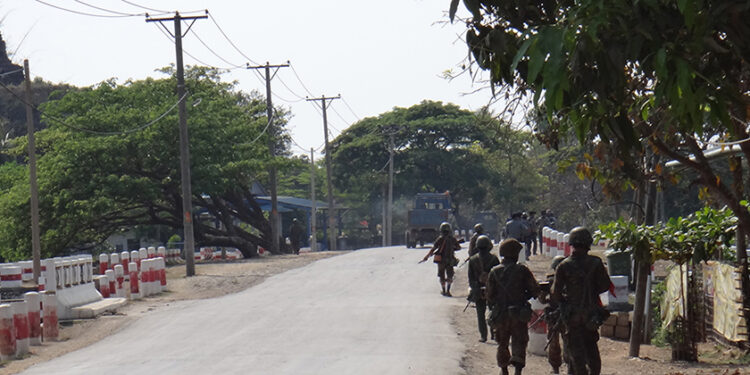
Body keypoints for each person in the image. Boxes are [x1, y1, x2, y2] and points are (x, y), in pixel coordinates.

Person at [551, 227, 611, 375]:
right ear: (588, 243)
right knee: (592, 352)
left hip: (573, 317)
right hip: (591, 316)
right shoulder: (596, 263)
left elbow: (555, 294)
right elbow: (605, 286)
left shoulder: (563, 265)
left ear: (571, 243)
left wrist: (566, 301)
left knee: (576, 355)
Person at [486, 238, 540, 375]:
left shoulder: (494, 271)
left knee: (502, 343)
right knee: (520, 341)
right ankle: (517, 371)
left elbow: (490, 295)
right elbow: (534, 290)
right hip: (519, 313)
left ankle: (504, 369)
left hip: (501, 314)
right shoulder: (522, 270)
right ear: (515, 254)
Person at [539, 255, 571, 374]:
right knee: (568, 341)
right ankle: (569, 366)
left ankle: (555, 368)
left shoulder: (551, 281)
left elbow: (542, 300)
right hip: (566, 316)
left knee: (554, 342)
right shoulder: (571, 280)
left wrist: (543, 294)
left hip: (555, 315)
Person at [467, 235, 499, 342]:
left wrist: (476, 287)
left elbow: (470, 279)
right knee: (493, 312)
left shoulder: (472, 260)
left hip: (478, 290)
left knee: (480, 314)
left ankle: (483, 336)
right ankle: (494, 333)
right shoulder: (494, 259)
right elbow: (498, 277)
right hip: (492, 290)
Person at [422, 222, 461, 296]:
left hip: (441, 261)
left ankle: (443, 290)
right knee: (450, 275)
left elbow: (433, 248)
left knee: (441, 275)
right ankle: (448, 290)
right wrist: (452, 248)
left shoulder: (440, 239)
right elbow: (458, 247)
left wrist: (427, 256)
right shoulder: (452, 239)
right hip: (450, 260)